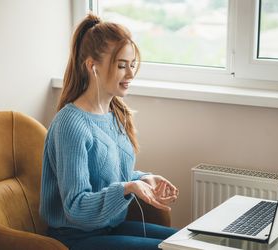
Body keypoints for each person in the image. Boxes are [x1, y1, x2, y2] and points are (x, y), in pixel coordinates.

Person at [39, 13, 179, 250]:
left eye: (132, 65)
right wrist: (128, 188)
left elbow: (108, 176)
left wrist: (143, 179)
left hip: (109, 228)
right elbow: (76, 207)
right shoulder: (70, 124)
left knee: (187, 242)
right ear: (92, 67)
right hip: (75, 237)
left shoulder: (116, 113)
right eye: (121, 66)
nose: (131, 74)